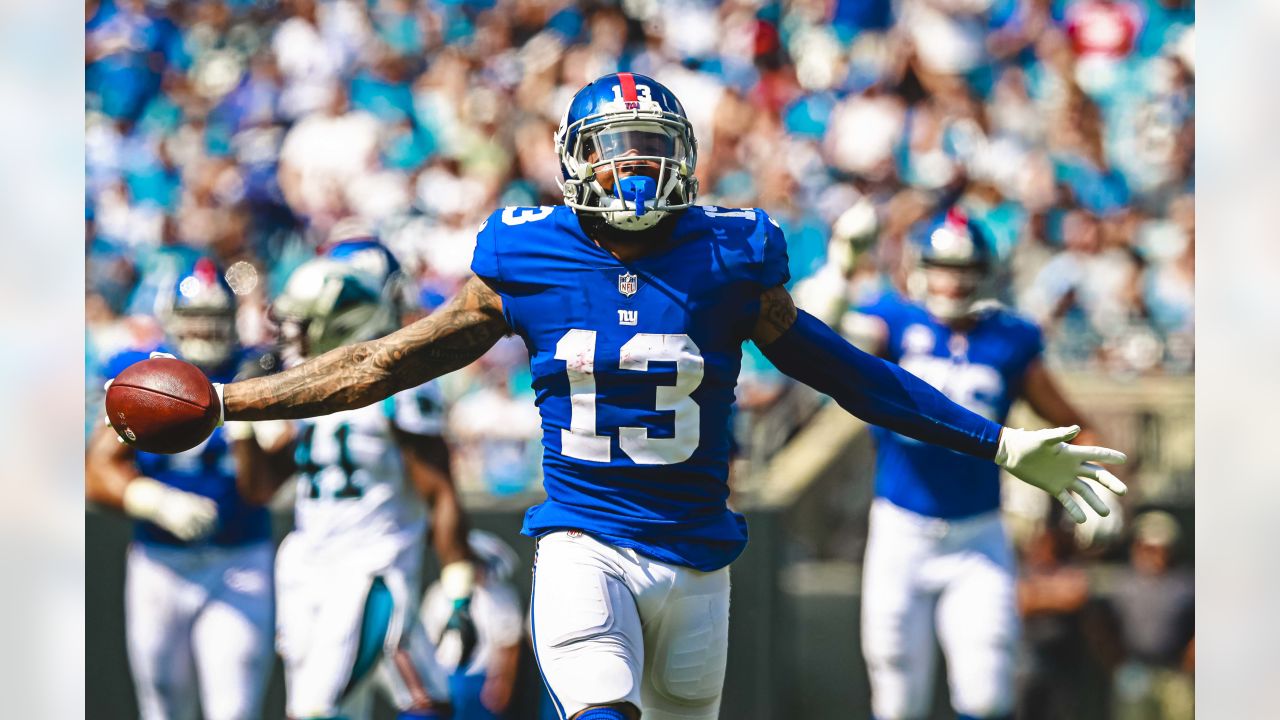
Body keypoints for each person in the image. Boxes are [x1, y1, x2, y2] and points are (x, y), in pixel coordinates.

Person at [114, 73, 1127, 720]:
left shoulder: (732, 256)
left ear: (683, 158)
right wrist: (230, 400)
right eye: (614, 149)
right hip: (582, 540)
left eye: (651, 147)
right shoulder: (525, 257)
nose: (633, 168)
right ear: (573, 162)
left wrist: (996, 443)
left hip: (698, 559)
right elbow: (380, 363)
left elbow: (848, 373)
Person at [846, 209, 1115, 720]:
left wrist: (1102, 486)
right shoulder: (894, 322)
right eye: (942, 265)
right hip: (900, 530)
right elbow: (833, 339)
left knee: (988, 690)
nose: (953, 279)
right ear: (920, 266)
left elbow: (1076, 424)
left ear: (984, 271)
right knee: (896, 692)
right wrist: (841, 272)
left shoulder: (1009, 339)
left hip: (977, 536)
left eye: (964, 266)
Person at [243, 251, 476, 720]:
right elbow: (261, 488)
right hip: (308, 567)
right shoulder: (303, 385)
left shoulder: (401, 387)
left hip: (371, 567)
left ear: (342, 322)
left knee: (314, 708)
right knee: (425, 699)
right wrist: (242, 428)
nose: (291, 335)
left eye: (304, 323)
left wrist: (458, 584)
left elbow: (439, 490)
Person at [86, 258, 278, 720]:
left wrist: (246, 423)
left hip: (239, 558)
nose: (207, 333)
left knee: (233, 709)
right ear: (173, 320)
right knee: (163, 704)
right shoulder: (142, 373)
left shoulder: (256, 370)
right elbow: (96, 472)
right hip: (160, 562)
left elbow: (262, 489)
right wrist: (152, 500)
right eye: (195, 320)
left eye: (215, 322)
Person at [421, 530, 525, 720]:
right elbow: (425, 639)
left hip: (481, 680)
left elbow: (509, 644)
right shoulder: (438, 592)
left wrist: (503, 682)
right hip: (441, 676)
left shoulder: (502, 595)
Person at [1107, 510, 1195, 720]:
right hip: (1135, 671)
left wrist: (1190, 659)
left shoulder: (1184, 584)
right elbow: (1102, 624)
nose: (1152, 554)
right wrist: (1117, 662)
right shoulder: (1123, 584)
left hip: (1173, 673)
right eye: (1146, 547)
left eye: (1159, 548)